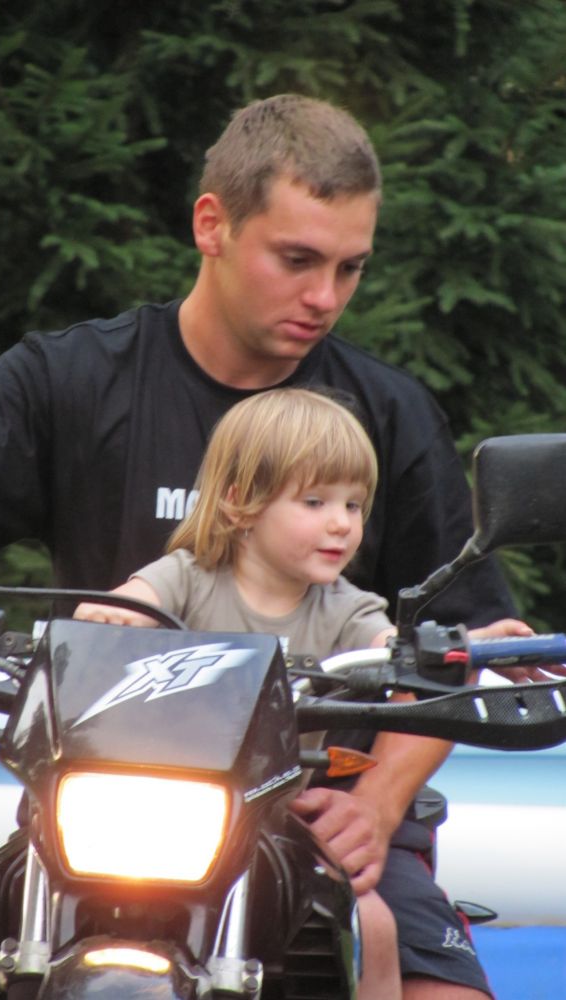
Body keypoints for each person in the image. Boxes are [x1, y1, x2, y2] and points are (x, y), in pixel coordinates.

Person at [0, 93, 542, 996]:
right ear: (212, 225)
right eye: (297, 259)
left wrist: (378, 804)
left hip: (321, 810)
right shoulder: (75, 377)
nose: (325, 297)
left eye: (350, 268)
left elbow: (457, 645)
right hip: (103, 809)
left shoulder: (385, 416)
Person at [74, 386, 531, 999]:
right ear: (239, 502)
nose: (341, 523)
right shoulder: (186, 577)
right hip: (169, 813)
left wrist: (459, 650)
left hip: (289, 817)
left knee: (372, 920)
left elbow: (399, 650)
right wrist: (116, 615)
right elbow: (133, 602)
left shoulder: (347, 608)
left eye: (354, 504)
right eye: (315, 501)